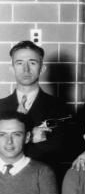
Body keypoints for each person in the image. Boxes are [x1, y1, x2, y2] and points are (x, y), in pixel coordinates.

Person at [0, 41, 72, 173]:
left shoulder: (59, 107)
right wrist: (31, 136)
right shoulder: (1, 106)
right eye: (19, 63)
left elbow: (59, 149)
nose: (26, 69)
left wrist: (13, 144)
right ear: (12, 68)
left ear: (42, 68)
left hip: (43, 180)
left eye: (32, 63)